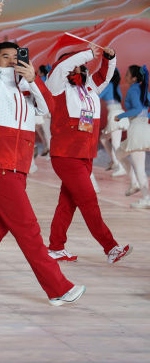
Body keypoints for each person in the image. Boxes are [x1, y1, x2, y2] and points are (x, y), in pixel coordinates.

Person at [0, 2, 83, 306]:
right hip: (0, 164)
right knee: (28, 228)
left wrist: (33, 80)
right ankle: (58, 288)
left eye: (16, 56)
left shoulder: (25, 91)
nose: (12, 61)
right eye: (5, 57)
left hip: (18, 166)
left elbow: (49, 109)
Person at [44, 44, 130, 262]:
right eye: (77, 65)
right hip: (66, 155)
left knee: (67, 204)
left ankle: (55, 247)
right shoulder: (57, 87)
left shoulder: (89, 87)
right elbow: (61, 68)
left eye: (82, 66)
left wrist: (110, 58)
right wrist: (88, 53)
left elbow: (104, 75)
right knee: (89, 201)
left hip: (86, 155)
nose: (81, 68)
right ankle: (111, 247)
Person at [116, 64, 150, 208]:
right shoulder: (143, 90)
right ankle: (134, 183)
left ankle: (146, 198)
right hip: (144, 128)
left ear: (134, 78)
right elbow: (145, 110)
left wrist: (120, 116)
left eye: (127, 74)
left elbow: (136, 109)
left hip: (137, 131)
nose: (125, 77)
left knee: (140, 168)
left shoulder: (133, 90)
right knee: (119, 154)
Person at [99, 70, 126, 177]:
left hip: (115, 115)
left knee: (115, 143)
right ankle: (115, 162)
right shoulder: (115, 86)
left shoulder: (108, 85)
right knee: (103, 138)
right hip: (118, 113)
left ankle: (122, 167)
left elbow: (97, 96)